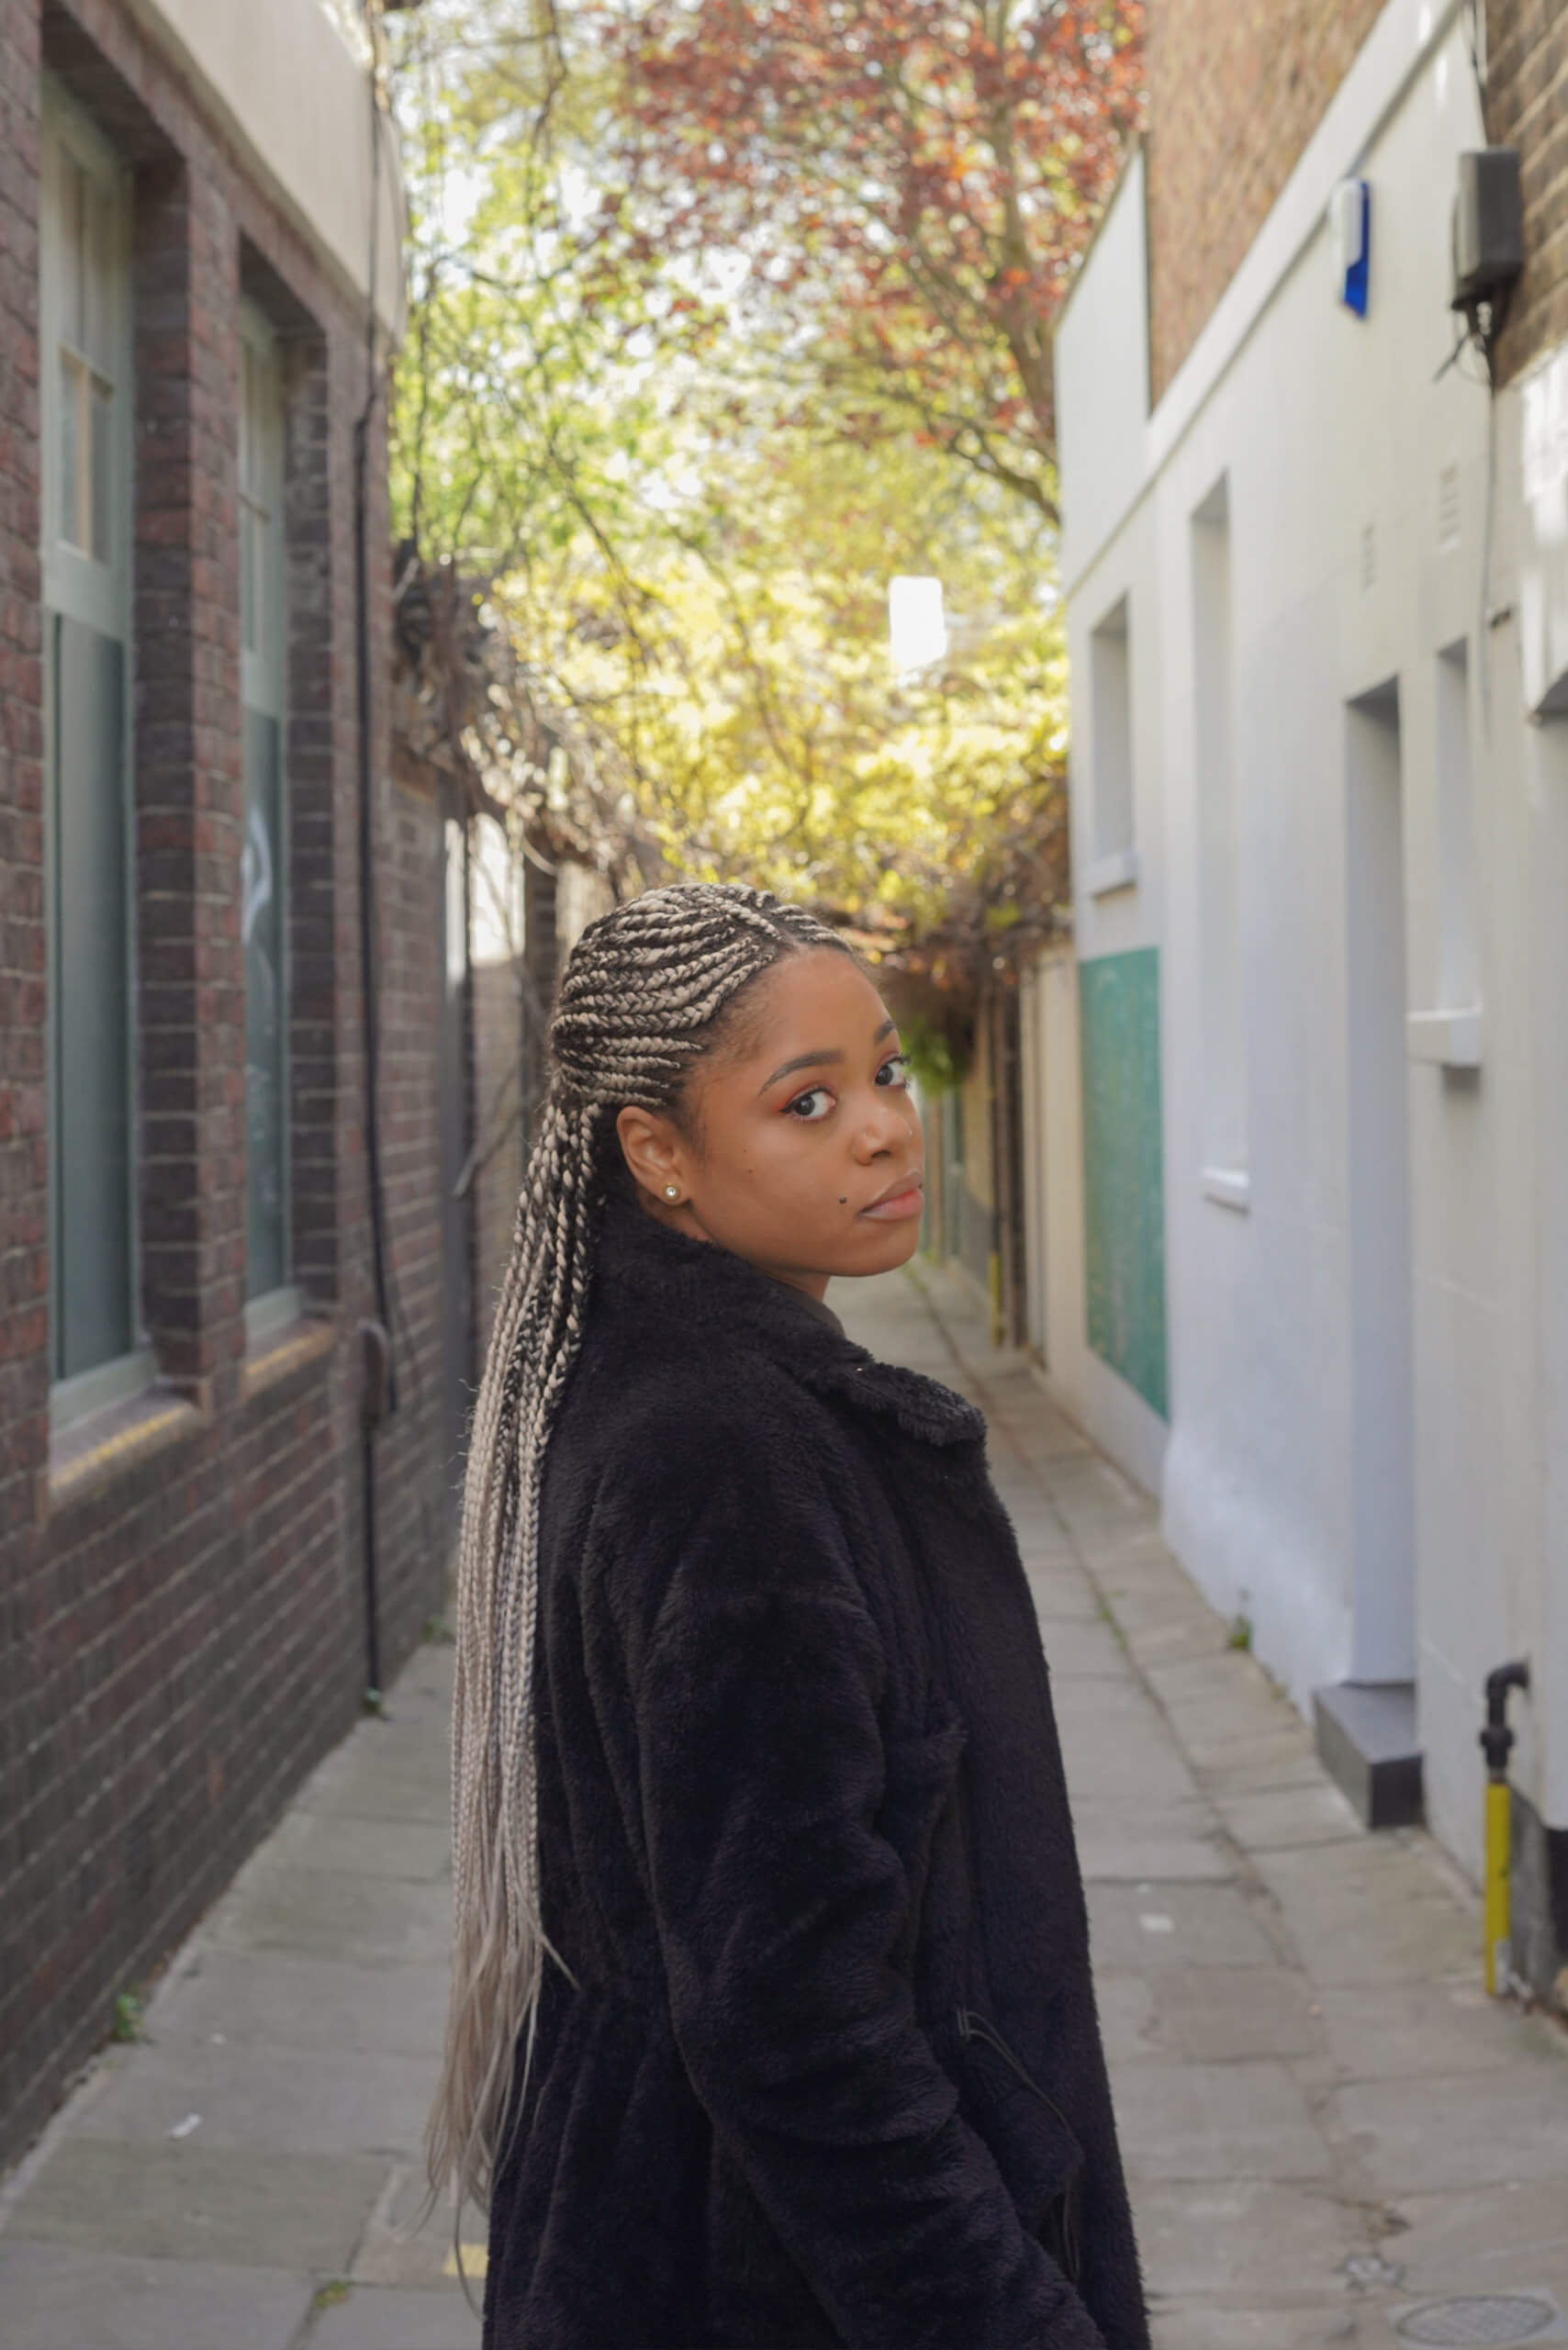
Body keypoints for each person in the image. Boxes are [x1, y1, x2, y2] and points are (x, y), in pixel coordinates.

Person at [426, 880, 1149, 2349]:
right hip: (755, 2275)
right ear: (660, 1155)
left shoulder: (694, 1398)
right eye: (805, 1104)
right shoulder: (730, 1460)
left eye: (883, 1073)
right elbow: (791, 2021)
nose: (886, 1126)